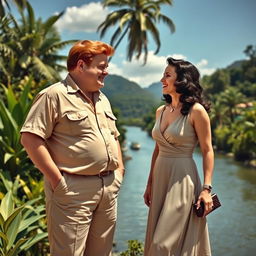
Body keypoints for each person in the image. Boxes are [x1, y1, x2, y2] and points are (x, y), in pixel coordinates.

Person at [20, 40, 125, 256]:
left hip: (108, 188)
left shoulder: (103, 99)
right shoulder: (54, 95)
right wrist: (59, 182)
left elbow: (114, 137)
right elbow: (30, 138)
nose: (106, 71)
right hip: (73, 191)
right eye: (102, 66)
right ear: (81, 66)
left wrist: (119, 174)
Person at [143, 57, 214, 256]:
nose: (161, 80)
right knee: (158, 240)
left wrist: (206, 189)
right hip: (160, 179)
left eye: (167, 75)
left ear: (182, 80)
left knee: (162, 245)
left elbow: (208, 150)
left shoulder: (196, 111)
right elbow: (157, 149)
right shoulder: (160, 111)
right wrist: (149, 183)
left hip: (183, 180)